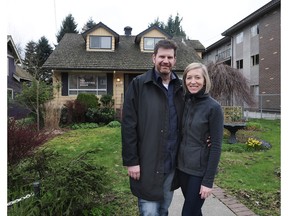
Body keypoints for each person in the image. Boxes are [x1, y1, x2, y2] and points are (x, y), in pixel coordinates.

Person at [121, 39, 184, 216]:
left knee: (163, 210)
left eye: (170, 57)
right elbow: (128, 125)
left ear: (175, 60)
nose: (166, 60)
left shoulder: (180, 88)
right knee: (149, 212)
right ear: (153, 58)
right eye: (162, 56)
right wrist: (131, 161)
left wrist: (206, 136)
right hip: (147, 163)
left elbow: (189, 120)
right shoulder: (139, 85)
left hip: (170, 165)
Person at [176, 62, 223, 216]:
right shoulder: (185, 102)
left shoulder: (213, 107)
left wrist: (208, 181)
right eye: (189, 77)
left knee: (188, 213)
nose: (193, 81)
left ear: (205, 80)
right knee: (195, 212)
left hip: (199, 171)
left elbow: (216, 146)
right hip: (183, 169)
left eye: (197, 77)